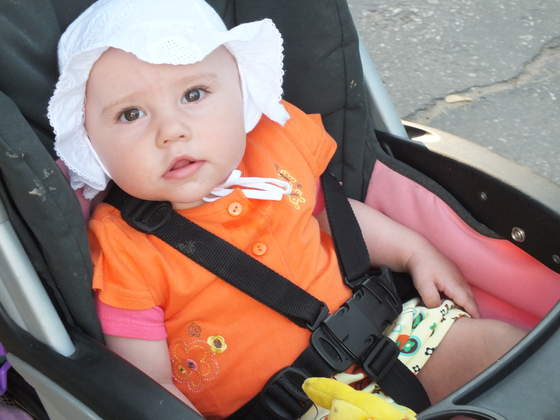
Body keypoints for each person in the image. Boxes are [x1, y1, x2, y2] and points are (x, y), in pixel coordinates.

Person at [47, 0, 525, 418]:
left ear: (242, 93)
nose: (170, 130)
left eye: (193, 94)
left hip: (386, 338)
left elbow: (335, 217)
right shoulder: (123, 248)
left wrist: (414, 251)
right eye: (130, 114)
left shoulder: (274, 147)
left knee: (502, 352)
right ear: (89, 143)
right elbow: (150, 383)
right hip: (289, 409)